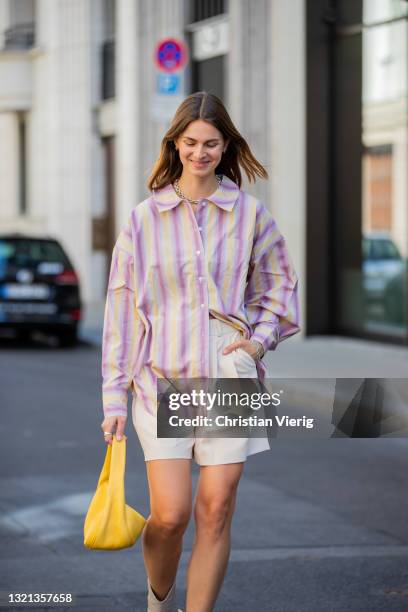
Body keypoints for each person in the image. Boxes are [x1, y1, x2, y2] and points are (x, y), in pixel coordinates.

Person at [100, 91, 300, 612]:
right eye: (190, 142)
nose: (200, 152)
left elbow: (280, 286)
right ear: (175, 144)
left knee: (216, 509)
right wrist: (113, 397)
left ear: (225, 145)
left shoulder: (250, 214)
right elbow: (121, 310)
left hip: (226, 371)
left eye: (211, 143)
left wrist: (258, 339)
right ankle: (159, 600)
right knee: (170, 516)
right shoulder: (144, 220)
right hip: (159, 377)